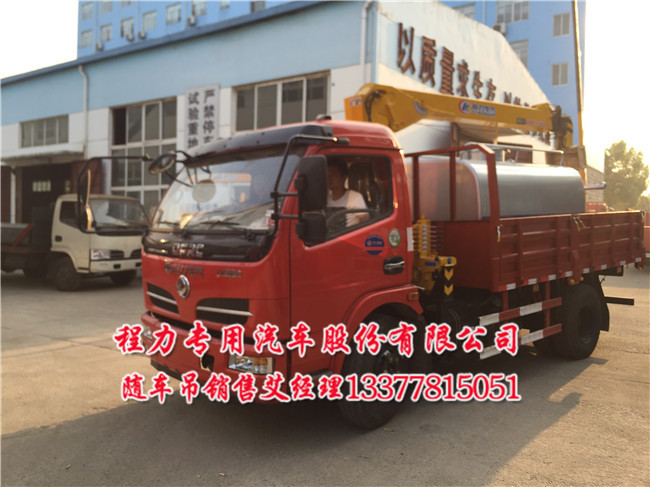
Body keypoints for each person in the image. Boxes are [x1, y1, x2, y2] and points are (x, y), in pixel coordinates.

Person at [327, 159, 368, 228]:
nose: (328, 179)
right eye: (327, 175)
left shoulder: (355, 197)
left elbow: (365, 224)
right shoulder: (325, 198)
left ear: (344, 177)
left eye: (333, 175)